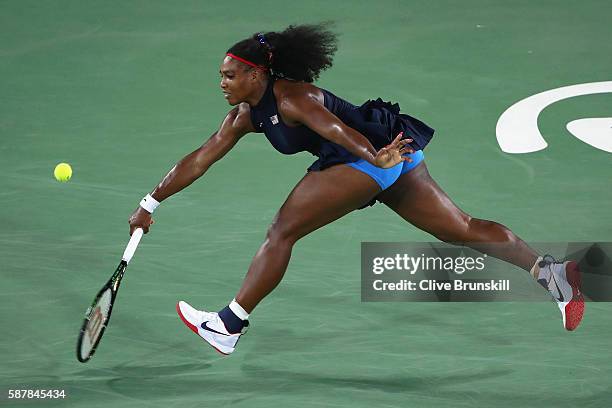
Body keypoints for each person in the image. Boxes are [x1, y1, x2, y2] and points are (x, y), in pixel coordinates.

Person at [128, 24, 584, 355]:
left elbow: (335, 130)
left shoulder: (292, 98)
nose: (222, 83)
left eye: (229, 75)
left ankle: (228, 325)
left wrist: (373, 158)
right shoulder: (244, 115)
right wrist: (151, 201)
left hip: (367, 156)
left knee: (282, 231)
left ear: (255, 75)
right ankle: (548, 271)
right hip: (391, 152)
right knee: (461, 228)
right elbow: (201, 157)